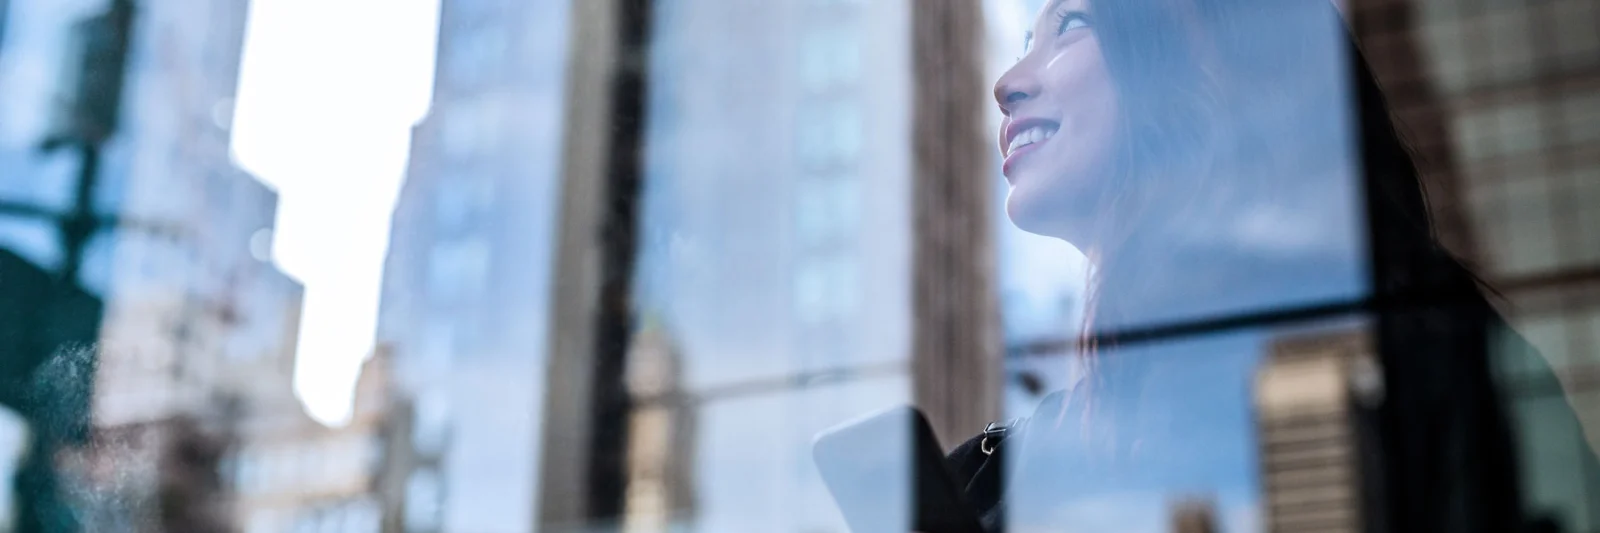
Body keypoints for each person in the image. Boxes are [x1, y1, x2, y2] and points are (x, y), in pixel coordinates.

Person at [934, 0, 1600, 531]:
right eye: (1025, 42)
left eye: (1072, 26)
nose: (1007, 84)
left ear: (1207, 60)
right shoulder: (1001, 472)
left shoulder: (1413, 360)